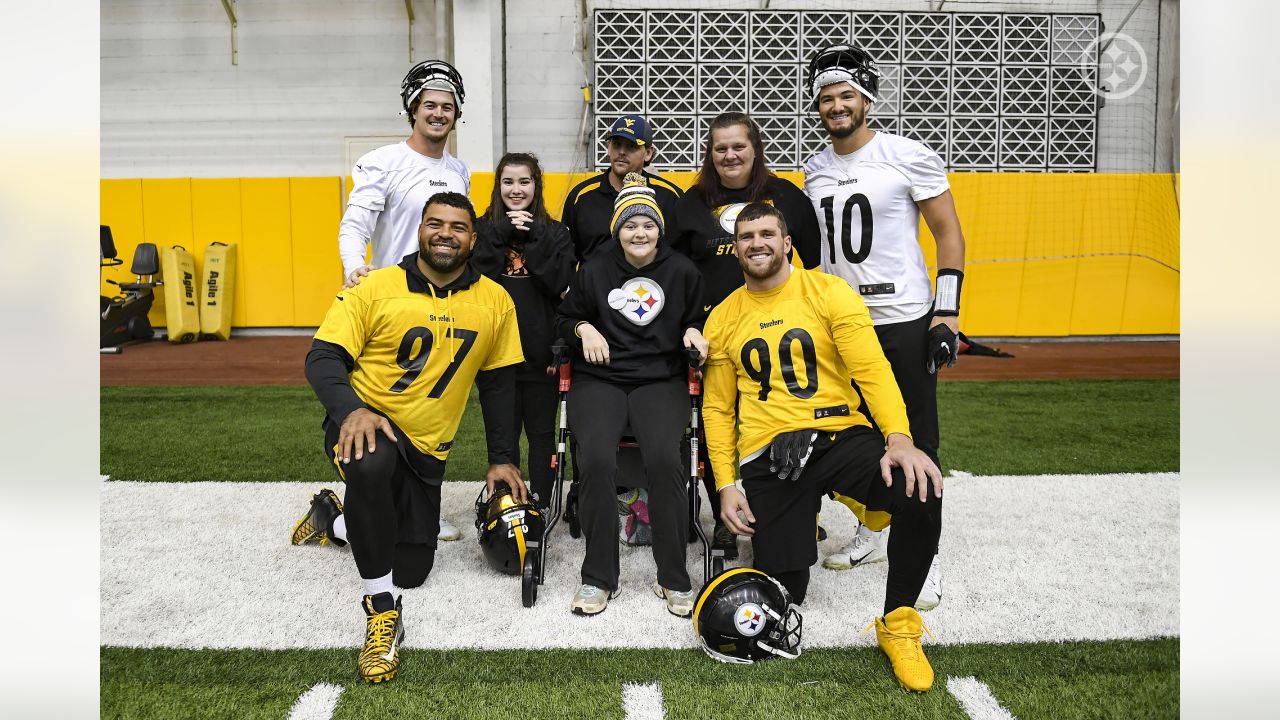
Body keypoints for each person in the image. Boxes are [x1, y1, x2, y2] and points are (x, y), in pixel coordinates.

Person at [702, 202, 943, 691]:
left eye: (767, 233)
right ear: (737, 248)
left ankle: (898, 623)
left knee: (921, 488)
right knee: (786, 593)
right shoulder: (723, 318)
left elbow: (871, 370)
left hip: (837, 432)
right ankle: (815, 514)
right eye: (747, 236)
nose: (757, 243)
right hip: (771, 455)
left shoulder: (829, 291)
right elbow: (718, 411)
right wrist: (726, 485)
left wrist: (899, 439)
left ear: (787, 241)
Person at [290, 192, 528, 683]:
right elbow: (322, 357)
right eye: (435, 224)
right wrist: (352, 411)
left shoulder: (495, 300)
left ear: (473, 238)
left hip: (427, 448)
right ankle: (381, 612)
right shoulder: (375, 287)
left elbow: (500, 383)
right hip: (365, 424)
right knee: (371, 466)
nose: (445, 233)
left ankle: (331, 520)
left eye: (457, 227)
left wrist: (503, 458)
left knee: (412, 569)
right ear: (419, 230)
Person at [802, 44, 964, 603]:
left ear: (867, 99)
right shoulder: (816, 167)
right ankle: (877, 527)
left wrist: (947, 310)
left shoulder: (909, 154)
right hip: (843, 322)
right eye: (826, 97)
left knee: (918, 436)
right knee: (861, 435)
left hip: (903, 317)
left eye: (846, 95)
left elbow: (948, 233)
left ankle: (927, 554)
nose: (836, 105)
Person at [669, 111, 823, 561]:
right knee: (713, 426)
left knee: (788, 426)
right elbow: (673, 272)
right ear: (710, 154)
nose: (730, 155)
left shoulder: (787, 198)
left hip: (780, 338)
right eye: (720, 148)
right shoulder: (691, 203)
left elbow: (810, 267)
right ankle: (723, 516)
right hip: (713, 338)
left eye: (739, 146)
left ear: (755, 149)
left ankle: (799, 513)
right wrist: (689, 327)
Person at [554, 173, 707, 617]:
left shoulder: (681, 270)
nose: (639, 233)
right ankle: (599, 577)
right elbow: (565, 318)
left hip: (659, 378)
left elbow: (697, 318)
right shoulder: (596, 268)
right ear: (616, 229)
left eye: (648, 225)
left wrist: (694, 330)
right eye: (629, 225)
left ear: (660, 228)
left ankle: (673, 576)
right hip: (599, 377)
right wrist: (584, 328)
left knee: (664, 457)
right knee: (597, 458)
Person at [335, 58, 471, 541]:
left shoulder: (459, 170)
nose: (438, 113)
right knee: (383, 399)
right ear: (413, 109)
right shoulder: (383, 161)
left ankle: (413, 505)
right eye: (429, 105)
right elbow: (355, 226)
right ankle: (352, 511)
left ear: (457, 114)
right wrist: (355, 270)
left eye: (447, 106)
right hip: (393, 301)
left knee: (430, 406)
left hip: (444, 304)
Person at [471, 152, 576, 508]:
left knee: (543, 436)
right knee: (502, 437)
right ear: (498, 185)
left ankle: (543, 505)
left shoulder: (556, 231)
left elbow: (560, 283)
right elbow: (474, 279)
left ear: (537, 185)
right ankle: (506, 503)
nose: (516, 190)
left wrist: (533, 241)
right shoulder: (482, 228)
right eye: (508, 181)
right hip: (495, 353)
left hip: (541, 351)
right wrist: (500, 235)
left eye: (524, 181)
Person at [561, 114, 683, 263]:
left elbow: (680, 256)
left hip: (650, 285)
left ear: (648, 153)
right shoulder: (581, 197)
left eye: (631, 146)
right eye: (617, 144)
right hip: (596, 285)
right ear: (608, 148)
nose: (622, 152)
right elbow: (567, 256)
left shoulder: (670, 196)